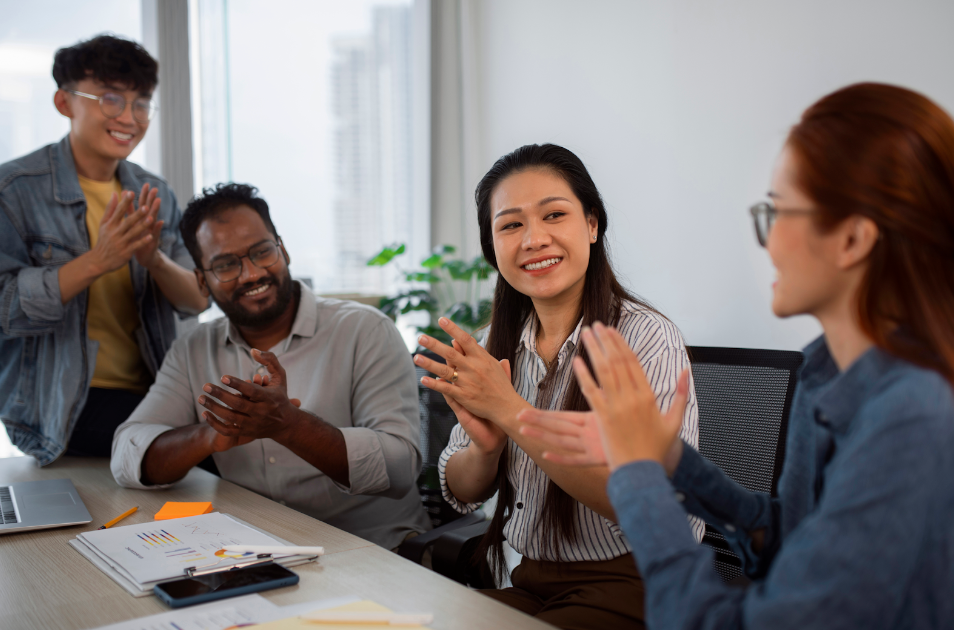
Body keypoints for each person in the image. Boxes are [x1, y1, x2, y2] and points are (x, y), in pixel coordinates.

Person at [519, 83, 954, 629]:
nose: (767, 243)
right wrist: (671, 460)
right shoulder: (823, 369)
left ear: (853, 240)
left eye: (778, 213)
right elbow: (784, 539)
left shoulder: (914, 414)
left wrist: (636, 472)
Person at [413, 144, 701, 630]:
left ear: (591, 225)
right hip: (530, 578)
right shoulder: (493, 345)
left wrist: (512, 412)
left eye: (554, 215)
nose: (534, 239)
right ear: (493, 247)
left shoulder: (646, 338)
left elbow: (644, 501)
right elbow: (460, 490)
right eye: (511, 225)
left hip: (641, 580)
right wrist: (485, 452)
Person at [111, 183, 432, 549]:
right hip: (255, 552)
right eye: (226, 265)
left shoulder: (365, 330)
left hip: (371, 549)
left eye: (262, 252)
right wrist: (210, 435)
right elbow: (126, 454)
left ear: (284, 250)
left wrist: (290, 426)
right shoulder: (192, 349)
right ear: (202, 281)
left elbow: (400, 468)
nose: (251, 274)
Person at [0, 35, 207, 464]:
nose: (129, 118)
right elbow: (5, 309)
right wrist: (98, 261)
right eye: (111, 99)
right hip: (63, 405)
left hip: (153, 389)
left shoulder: (154, 192)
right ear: (64, 102)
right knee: (207, 444)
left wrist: (155, 260)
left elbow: (196, 299)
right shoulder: (14, 191)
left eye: (141, 103)